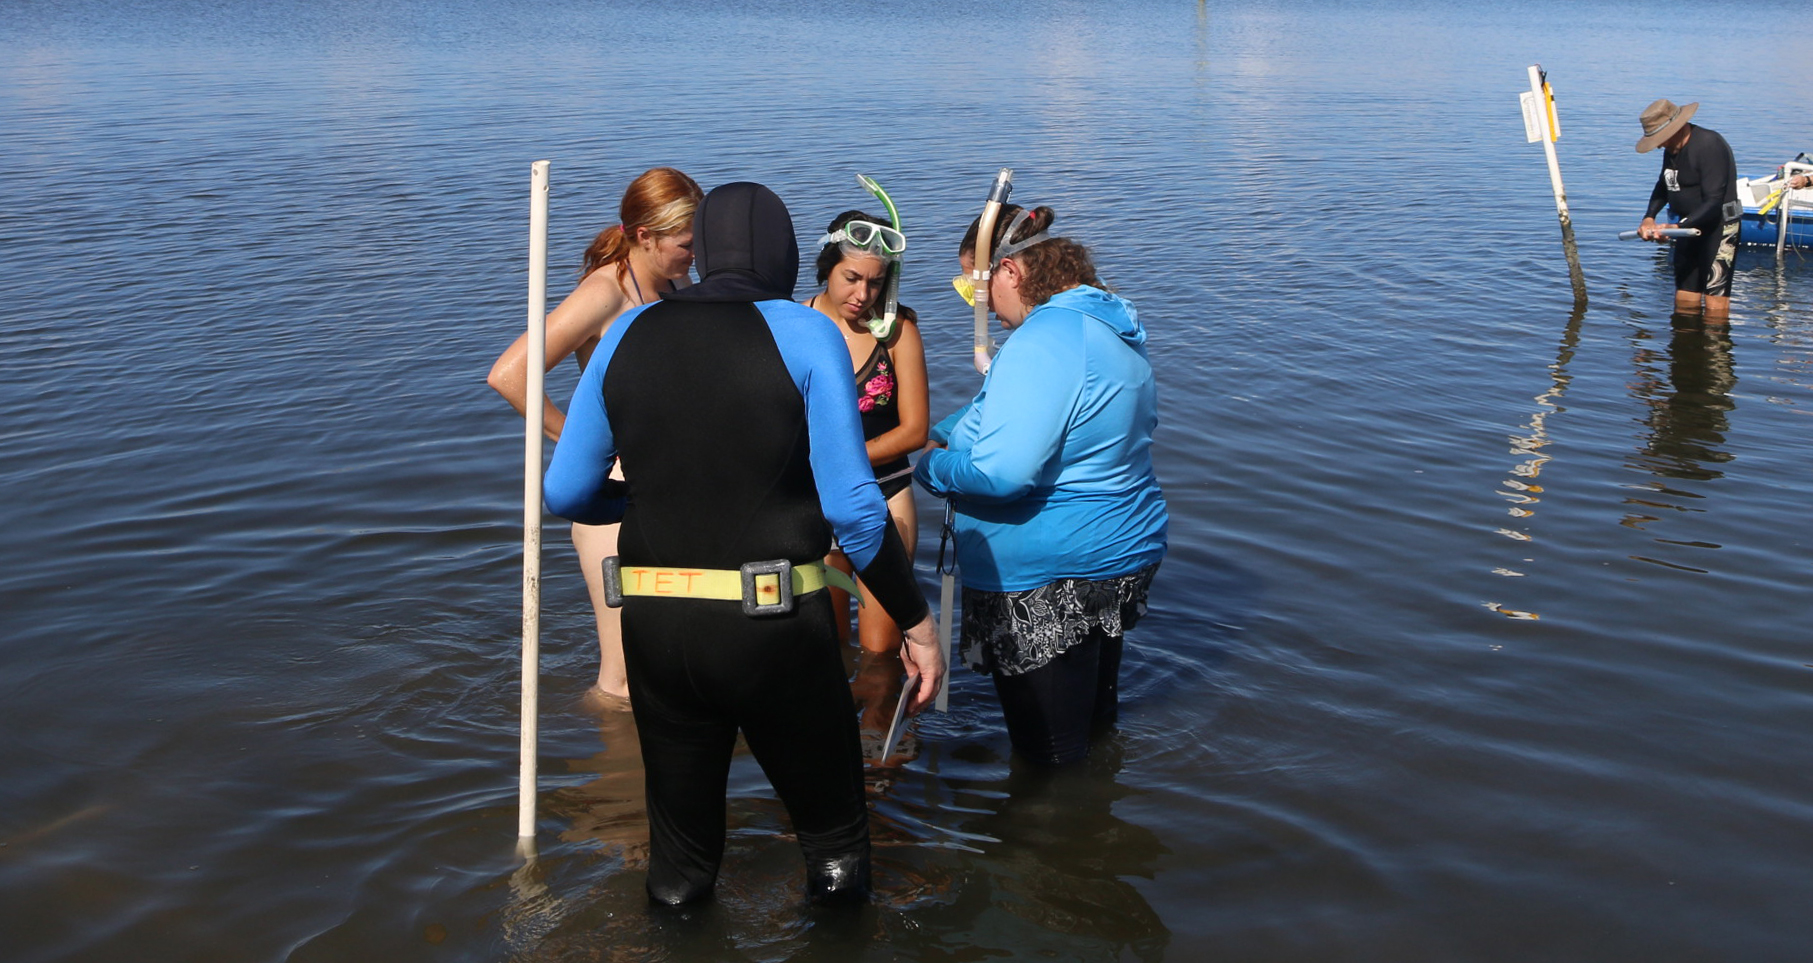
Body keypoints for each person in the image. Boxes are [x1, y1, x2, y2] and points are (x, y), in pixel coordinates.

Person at [542, 181, 944, 906]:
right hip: (772, 629)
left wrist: (639, 500)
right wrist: (917, 622)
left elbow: (564, 492)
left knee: (680, 866)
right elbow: (855, 510)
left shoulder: (630, 333)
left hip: (660, 627)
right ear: (788, 257)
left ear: (707, 251)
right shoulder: (803, 330)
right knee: (832, 847)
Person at [916, 202, 1167, 767]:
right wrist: (947, 430)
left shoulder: (1043, 339)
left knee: (1047, 758)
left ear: (1010, 272)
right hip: (1117, 551)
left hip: (1048, 574)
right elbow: (1037, 411)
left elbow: (1000, 475)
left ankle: (1047, 847)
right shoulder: (1105, 323)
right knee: (1094, 728)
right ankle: (1098, 833)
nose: (979, 308)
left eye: (973, 289)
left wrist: (930, 467)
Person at [487, 167, 702, 704]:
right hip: (614, 502)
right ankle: (611, 779)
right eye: (685, 242)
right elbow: (510, 375)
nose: (695, 252)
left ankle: (653, 774)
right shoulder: (605, 292)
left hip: (671, 493)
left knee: (671, 651)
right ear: (645, 237)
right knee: (624, 672)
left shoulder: (678, 282)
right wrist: (583, 445)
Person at [803, 211, 929, 655]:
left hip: (886, 497)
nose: (862, 295)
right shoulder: (795, 325)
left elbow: (914, 431)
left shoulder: (897, 332)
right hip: (816, 503)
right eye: (851, 278)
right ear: (827, 268)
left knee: (880, 649)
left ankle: (885, 723)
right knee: (828, 643)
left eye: (876, 283)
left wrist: (839, 460)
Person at [1634, 99, 1741, 320]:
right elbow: (1664, 185)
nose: (1661, 145)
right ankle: (1682, 347)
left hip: (1720, 225)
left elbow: (1714, 201)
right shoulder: (1672, 148)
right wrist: (1649, 218)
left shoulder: (1709, 144)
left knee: (1715, 298)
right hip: (1685, 225)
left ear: (1678, 127)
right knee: (1685, 293)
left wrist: (1675, 227)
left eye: (1662, 139)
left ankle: (1715, 346)